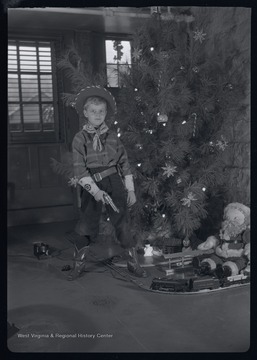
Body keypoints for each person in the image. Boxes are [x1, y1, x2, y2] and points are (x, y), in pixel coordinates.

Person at [69, 86, 147, 280]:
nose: (97, 115)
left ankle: (132, 262)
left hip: (114, 181)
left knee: (122, 221)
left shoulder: (113, 137)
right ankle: (78, 263)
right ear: (85, 113)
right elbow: (80, 170)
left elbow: (124, 163)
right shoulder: (80, 139)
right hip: (91, 184)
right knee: (87, 224)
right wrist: (95, 191)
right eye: (93, 111)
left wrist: (130, 190)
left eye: (101, 111)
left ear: (106, 113)